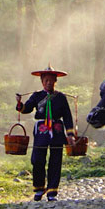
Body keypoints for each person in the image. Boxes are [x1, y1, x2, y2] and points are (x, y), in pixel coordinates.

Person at [15, 65, 76, 201]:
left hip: (57, 130)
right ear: (42, 81)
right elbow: (26, 109)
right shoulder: (36, 96)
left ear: (55, 81)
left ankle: (52, 191)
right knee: (37, 159)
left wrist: (70, 134)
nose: (49, 83)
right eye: (46, 80)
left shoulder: (61, 97)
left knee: (56, 160)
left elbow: (67, 116)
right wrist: (20, 104)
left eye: (51, 81)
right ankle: (39, 188)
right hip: (41, 130)